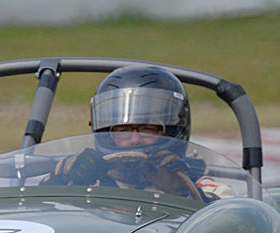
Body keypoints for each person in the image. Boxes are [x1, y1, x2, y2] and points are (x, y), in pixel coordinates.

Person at [44, 64, 228, 202]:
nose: (135, 140)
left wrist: (181, 191)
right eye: (122, 132)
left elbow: (224, 226)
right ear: (106, 134)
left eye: (147, 130)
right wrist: (57, 182)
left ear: (173, 132)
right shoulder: (86, 182)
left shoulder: (207, 187)